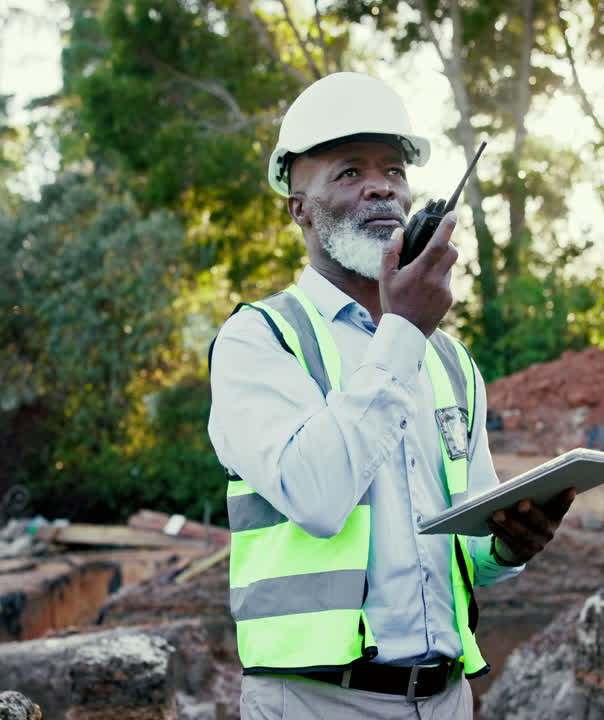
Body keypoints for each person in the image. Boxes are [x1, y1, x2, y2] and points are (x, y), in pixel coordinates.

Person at [207, 72, 575, 719]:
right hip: (315, 704)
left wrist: (511, 545)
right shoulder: (259, 340)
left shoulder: (448, 360)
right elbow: (317, 497)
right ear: (299, 205)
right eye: (349, 172)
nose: (382, 186)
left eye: (394, 171)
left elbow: (466, 544)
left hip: (445, 699)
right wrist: (402, 328)